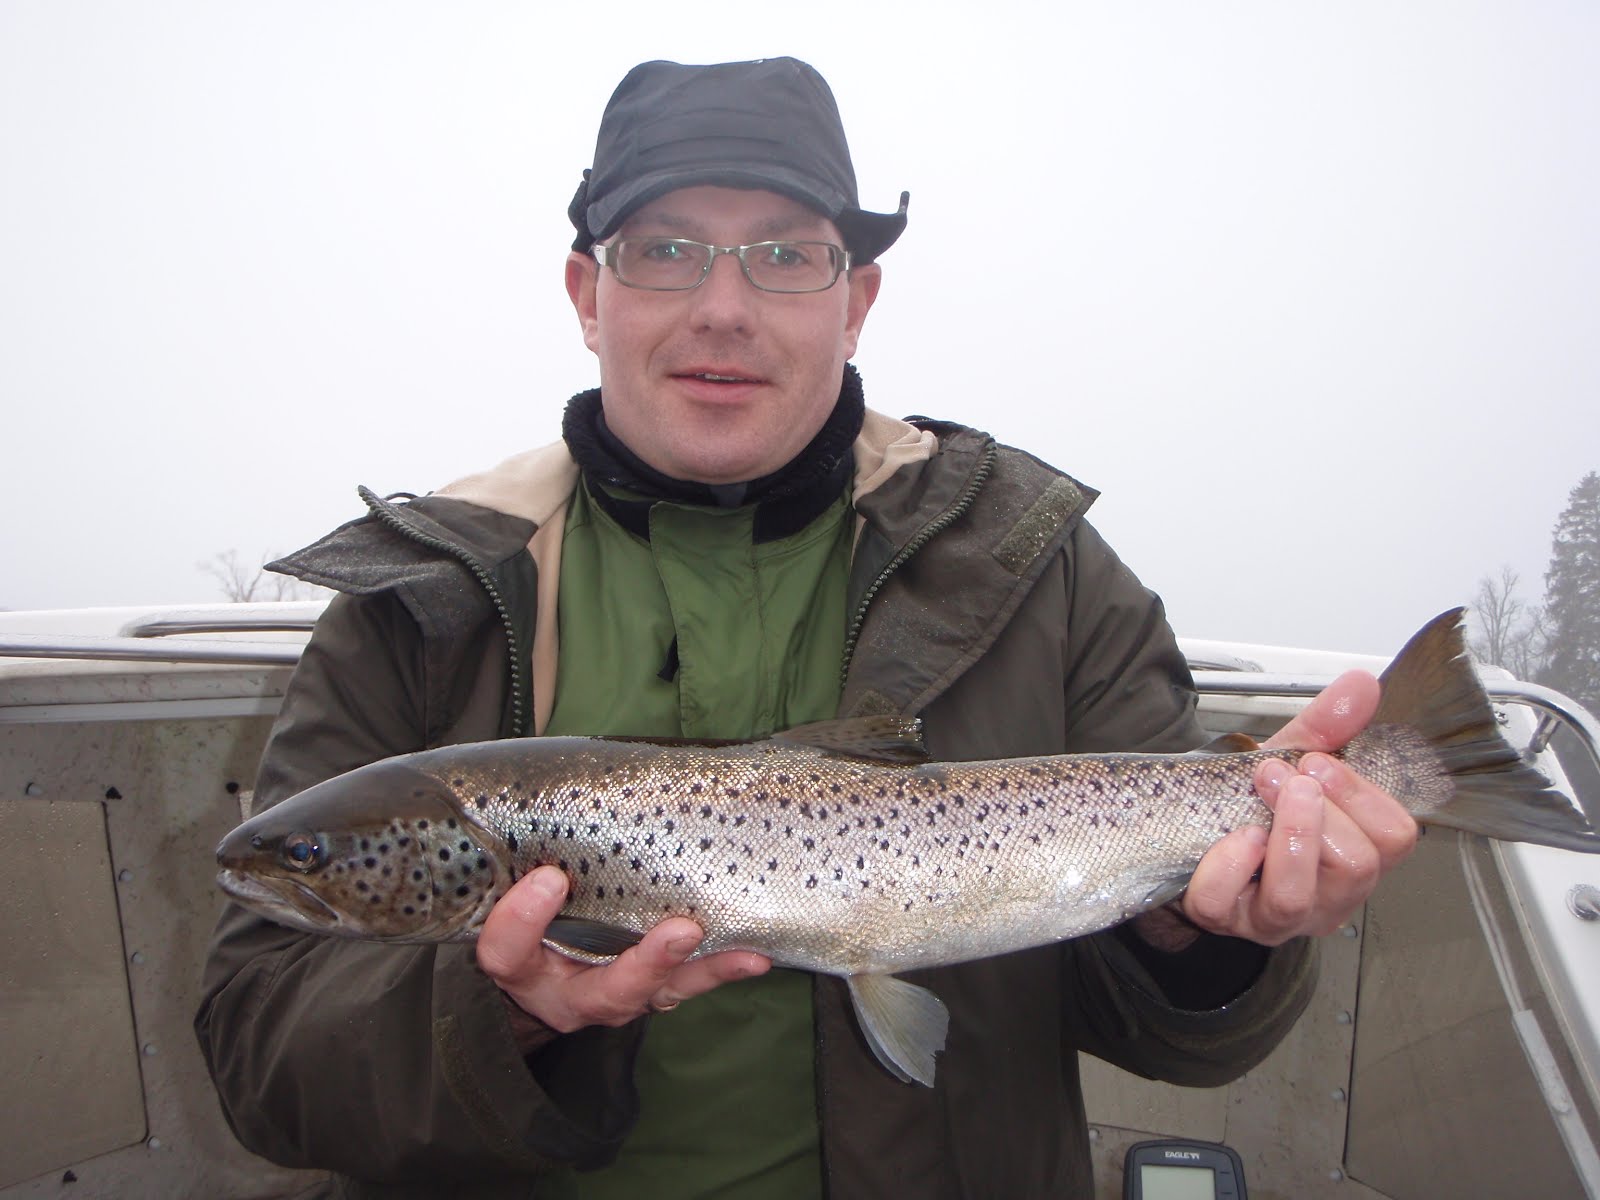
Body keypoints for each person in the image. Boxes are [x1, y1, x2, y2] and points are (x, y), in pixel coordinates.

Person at [196, 57, 1417, 1199]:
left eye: (785, 255)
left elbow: (1171, 1038)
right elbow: (262, 1055)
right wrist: (506, 1011)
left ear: (856, 301)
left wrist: (1205, 928)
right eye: (665, 250)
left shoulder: (1038, 569)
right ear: (588, 293)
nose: (723, 308)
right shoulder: (423, 598)